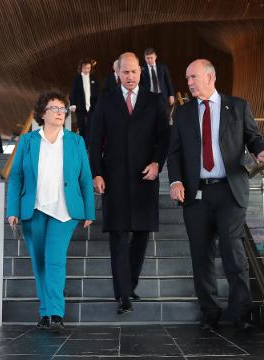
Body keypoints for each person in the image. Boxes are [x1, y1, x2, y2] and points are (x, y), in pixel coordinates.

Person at [167, 59, 264, 331]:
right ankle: (210, 312)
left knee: (233, 252)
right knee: (201, 255)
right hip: (196, 193)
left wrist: (261, 150)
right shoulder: (184, 113)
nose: (189, 83)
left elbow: (253, 137)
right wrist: (175, 180)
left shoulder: (237, 106)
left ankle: (241, 313)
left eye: (193, 77)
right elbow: (175, 151)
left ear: (210, 77)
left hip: (229, 190)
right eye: (187, 78)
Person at [6, 91, 95, 331]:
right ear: (42, 114)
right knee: (39, 262)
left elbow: (85, 178)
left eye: (62, 109)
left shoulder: (76, 141)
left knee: (54, 260)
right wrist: (12, 209)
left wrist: (89, 211)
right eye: (54, 108)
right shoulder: (28, 141)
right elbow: (15, 177)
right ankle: (45, 311)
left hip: (64, 210)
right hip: (33, 209)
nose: (59, 112)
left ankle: (55, 312)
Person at [89, 52, 169, 314]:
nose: (130, 76)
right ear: (118, 73)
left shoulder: (155, 101)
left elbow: (163, 138)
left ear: (141, 72)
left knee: (141, 236)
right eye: (125, 72)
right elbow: (94, 139)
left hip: (145, 178)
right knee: (119, 236)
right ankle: (123, 294)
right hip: (114, 179)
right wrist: (96, 173)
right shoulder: (106, 100)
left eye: (134, 72)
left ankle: (130, 285)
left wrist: (158, 163)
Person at [69, 58, 98, 146]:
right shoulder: (77, 79)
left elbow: (97, 92)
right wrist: (73, 104)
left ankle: (88, 145)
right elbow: (73, 92)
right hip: (80, 107)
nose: (86, 70)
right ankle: (82, 144)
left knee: (91, 126)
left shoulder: (93, 78)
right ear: (81, 68)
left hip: (91, 107)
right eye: (85, 68)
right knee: (81, 126)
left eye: (88, 68)